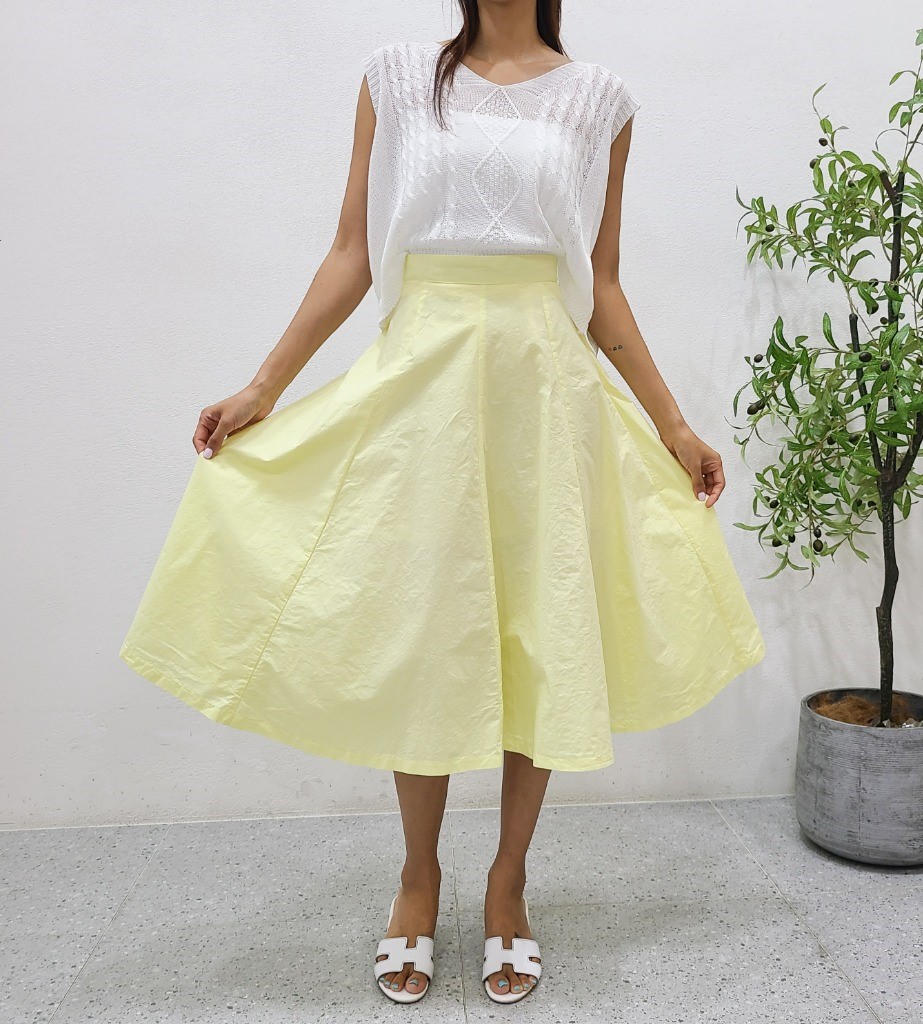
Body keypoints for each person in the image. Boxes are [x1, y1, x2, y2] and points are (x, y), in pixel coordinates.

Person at [119, 0, 766, 1008]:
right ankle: (417, 879)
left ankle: (507, 883)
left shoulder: (600, 101)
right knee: (425, 631)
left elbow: (597, 281)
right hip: (422, 384)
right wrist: (263, 387)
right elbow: (352, 253)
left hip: (543, 389)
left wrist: (673, 423)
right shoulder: (393, 76)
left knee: (538, 632)